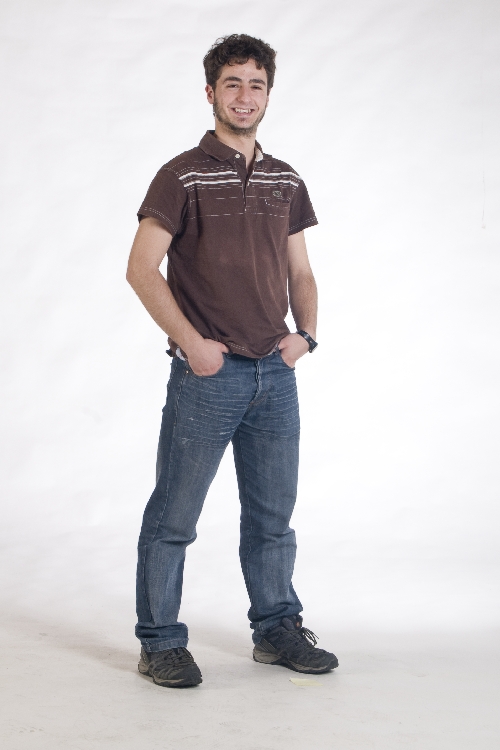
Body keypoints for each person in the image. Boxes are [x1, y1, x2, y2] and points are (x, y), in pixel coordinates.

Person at [126, 33, 338, 688]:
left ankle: (276, 629)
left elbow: (301, 271)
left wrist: (306, 335)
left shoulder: (285, 179)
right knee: (174, 518)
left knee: (273, 519)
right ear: (210, 92)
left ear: (268, 94)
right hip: (208, 378)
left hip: (275, 374)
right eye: (232, 83)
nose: (245, 96)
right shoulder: (181, 175)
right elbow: (141, 268)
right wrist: (192, 344)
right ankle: (160, 642)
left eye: (256, 84)